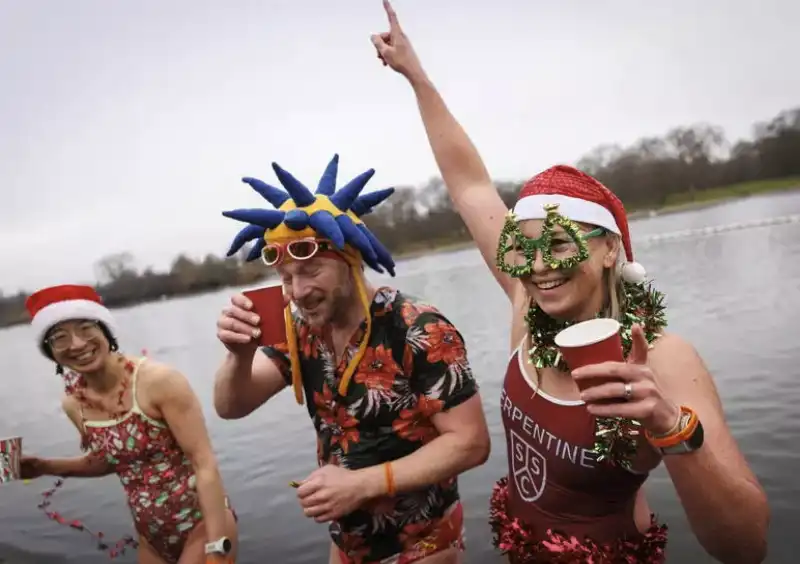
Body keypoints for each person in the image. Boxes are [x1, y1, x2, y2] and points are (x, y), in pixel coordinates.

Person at [370, 2, 770, 563]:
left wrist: (666, 425)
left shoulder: (661, 358)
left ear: (610, 250)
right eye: (525, 248)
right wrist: (417, 76)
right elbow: (470, 186)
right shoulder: (523, 301)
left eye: (559, 243)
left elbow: (746, 545)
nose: (538, 265)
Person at [213, 154, 491, 564]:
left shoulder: (417, 327)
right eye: (286, 277)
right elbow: (230, 406)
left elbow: (471, 443)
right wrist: (238, 356)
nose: (297, 291)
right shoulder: (301, 327)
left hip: (425, 544)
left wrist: (360, 485)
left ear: (350, 262)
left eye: (310, 271)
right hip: (348, 546)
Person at [20, 284, 238, 564]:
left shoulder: (159, 381)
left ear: (106, 333)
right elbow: (111, 461)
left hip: (202, 523)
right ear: (51, 353)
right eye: (59, 338)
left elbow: (204, 463)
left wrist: (217, 547)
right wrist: (43, 467)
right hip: (151, 536)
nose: (76, 344)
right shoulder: (74, 404)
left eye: (86, 328)